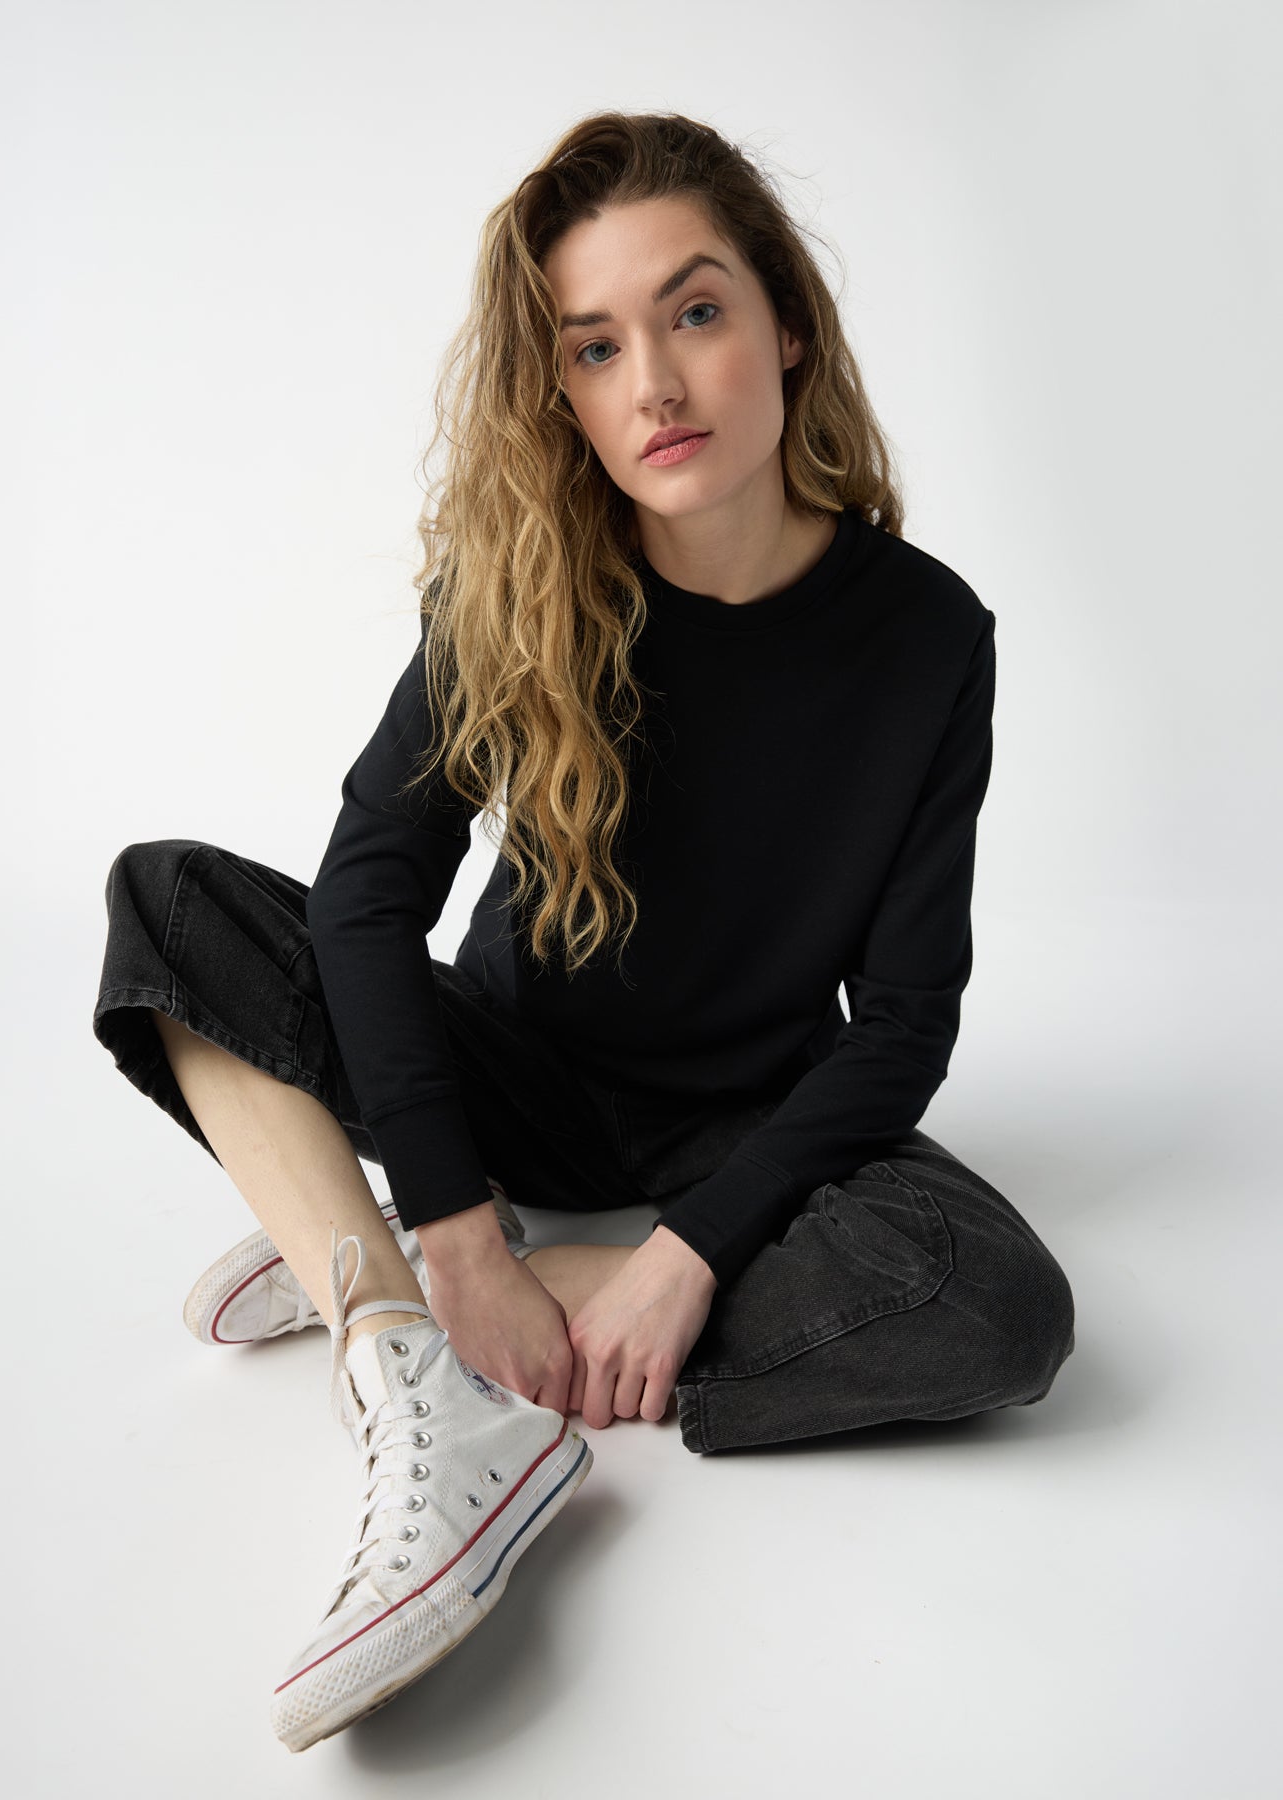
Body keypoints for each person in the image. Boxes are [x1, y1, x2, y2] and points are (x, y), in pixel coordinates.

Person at [92, 109, 1076, 1753]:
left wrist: (686, 1256)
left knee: (997, 1310)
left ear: (786, 324)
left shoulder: (927, 638)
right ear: (562, 390)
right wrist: (462, 1219)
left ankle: (427, 1255)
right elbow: (364, 895)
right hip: (508, 1077)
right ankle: (413, 1352)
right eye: (596, 345)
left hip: (736, 1120)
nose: (656, 386)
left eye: (694, 312)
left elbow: (902, 1022)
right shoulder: (526, 580)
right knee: (166, 900)